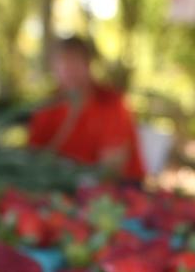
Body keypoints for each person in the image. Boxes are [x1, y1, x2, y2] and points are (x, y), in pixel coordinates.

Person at [28, 36, 145, 182]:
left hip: (120, 188)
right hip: (65, 188)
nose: (69, 72)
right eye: (63, 65)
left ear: (88, 64)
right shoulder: (47, 107)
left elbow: (112, 166)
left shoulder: (111, 103)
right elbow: (33, 158)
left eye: (75, 63)